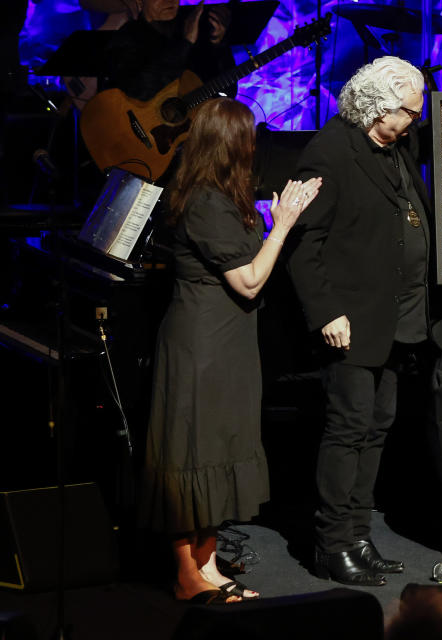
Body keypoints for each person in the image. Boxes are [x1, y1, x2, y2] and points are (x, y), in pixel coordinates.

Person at [140, 97, 320, 604]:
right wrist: (282, 223)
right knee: (191, 452)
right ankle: (186, 574)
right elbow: (248, 281)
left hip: (226, 343)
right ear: (229, 145)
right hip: (202, 345)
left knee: (217, 448)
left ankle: (208, 563)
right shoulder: (204, 202)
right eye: (247, 137)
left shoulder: (219, 194)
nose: (254, 146)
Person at [286, 56, 440, 587]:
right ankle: (331, 545)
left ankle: (356, 534)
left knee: (376, 429)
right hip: (350, 320)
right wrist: (327, 311)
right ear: (377, 104)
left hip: (394, 317)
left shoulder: (393, 144)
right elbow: (304, 246)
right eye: (407, 112)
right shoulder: (330, 151)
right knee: (348, 428)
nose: (412, 122)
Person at [103, 0, 234, 102]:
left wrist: (218, 46)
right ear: (140, 1)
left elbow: (227, 92)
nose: (170, 0)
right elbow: (140, 90)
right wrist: (185, 43)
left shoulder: (191, 30)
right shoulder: (127, 37)